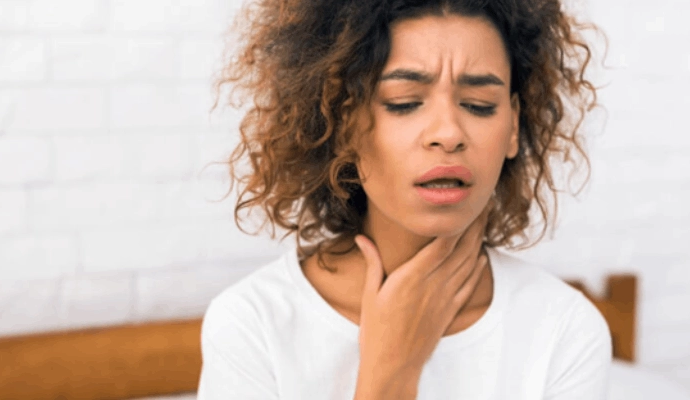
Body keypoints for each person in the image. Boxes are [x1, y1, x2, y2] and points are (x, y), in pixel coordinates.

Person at [197, 0, 611, 399]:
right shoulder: (252, 326)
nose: (448, 133)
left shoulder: (565, 330)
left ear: (514, 127)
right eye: (405, 103)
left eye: (479, 106)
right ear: (342, 125)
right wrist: (390, 373)